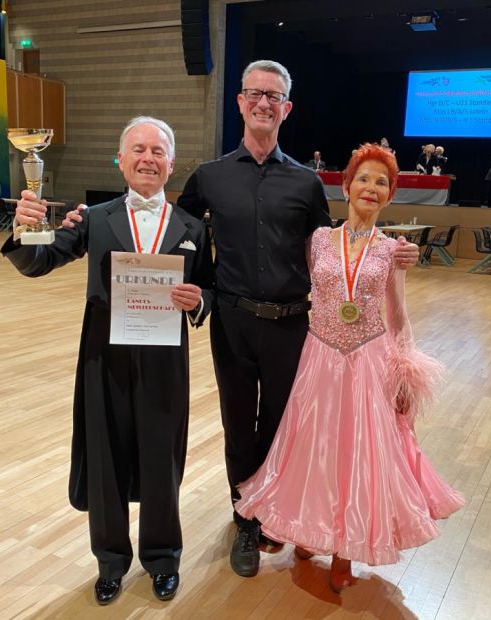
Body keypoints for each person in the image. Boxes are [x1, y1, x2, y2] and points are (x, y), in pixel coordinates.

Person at [63, 60, 419, 580]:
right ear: (240, 102)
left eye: (274, 96)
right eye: (255, 94)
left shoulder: (304, 182)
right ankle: (245, 521)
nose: (264, 103)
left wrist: (391, 251)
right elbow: (172, 231)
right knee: (237, 429)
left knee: (279, 426)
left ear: (286, 108)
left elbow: (333, 246)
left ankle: (273, 510)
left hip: (292, 325)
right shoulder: (208, 177)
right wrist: (87, 220)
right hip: (231, 323)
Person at [2, 116, 214, 606]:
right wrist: (25, 228)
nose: (147, 158)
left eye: (157, 151)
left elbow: (212, 290)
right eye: (137, 149)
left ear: (171, 163)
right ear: (120, 160)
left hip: (165, 357)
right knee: (106, 457)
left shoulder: (191, 228)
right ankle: (111, 562)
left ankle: (162, 558)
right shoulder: (93, 218)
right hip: (104, 353)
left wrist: (198, 299)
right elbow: (41, 262)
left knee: (163, 457)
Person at [235, 143, 464, 593]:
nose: (371, 188)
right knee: (313, 450)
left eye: (382, 183)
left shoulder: (394, 250)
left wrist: (406, 370)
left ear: (390, 195)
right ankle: (306, 530)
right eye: (364, 179)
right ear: (346, 186)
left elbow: (398, 313)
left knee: (358, 455)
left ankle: (344, 549)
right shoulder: (318, 240)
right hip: (319, 356)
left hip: (369, 362)